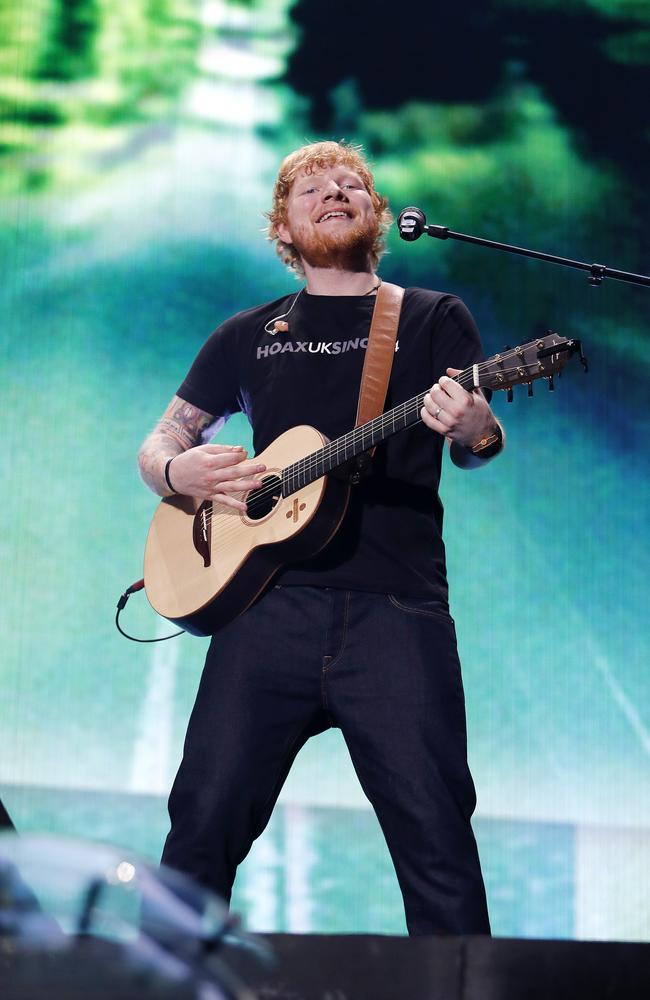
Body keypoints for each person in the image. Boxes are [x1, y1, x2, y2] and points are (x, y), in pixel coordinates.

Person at [138, 140, 503, 935]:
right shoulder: (246, 333)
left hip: (396, 614)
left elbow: (476, 443)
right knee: (200, 829)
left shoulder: (435, 318)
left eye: (350, 185)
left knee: (437, 843)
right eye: (311, 188)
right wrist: (178, 475)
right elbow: (159, 445)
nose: (333, 192)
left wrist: (477, 428)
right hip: (266, 611)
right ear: (285, 225)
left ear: (373, 214)